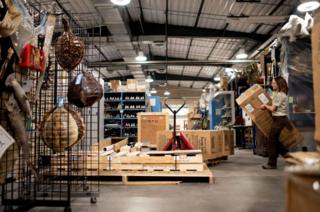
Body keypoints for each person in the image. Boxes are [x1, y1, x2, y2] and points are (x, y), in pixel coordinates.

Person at [260, 76, 289, 169]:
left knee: (271, 140)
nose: (272, 84)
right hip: (277, 119)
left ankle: (272, 163)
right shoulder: (276, 93)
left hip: (280, 119)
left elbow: (273, 108)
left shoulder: (280, 94)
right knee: (275, 140)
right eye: (272, 83)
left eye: (274, 83)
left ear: (279, 84)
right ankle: (289, 157)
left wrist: (265, 106)